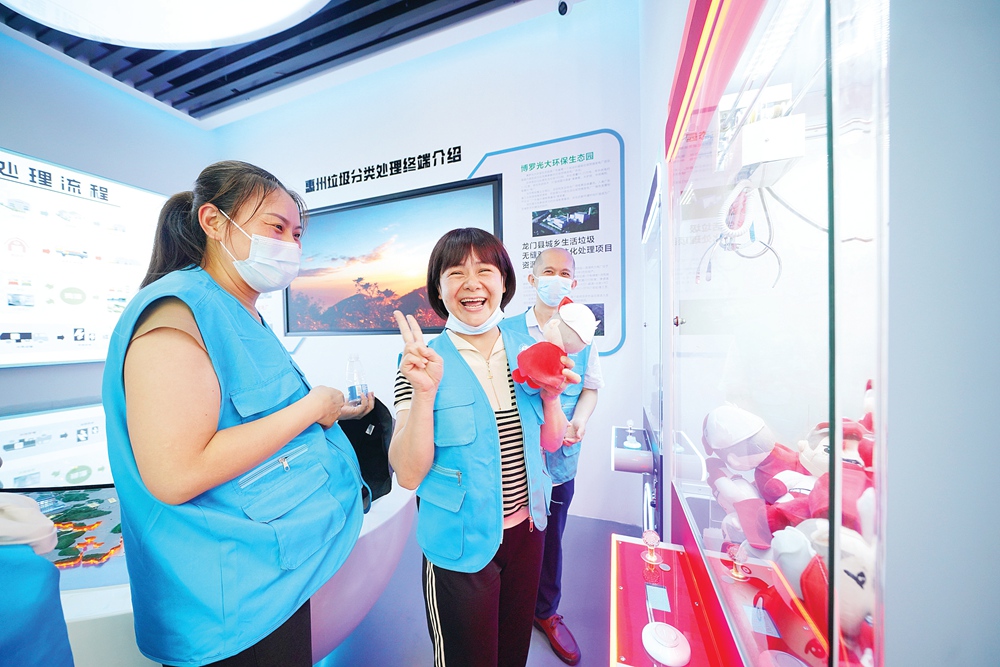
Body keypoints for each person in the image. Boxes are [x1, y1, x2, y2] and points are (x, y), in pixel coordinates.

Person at [101, 161, 374, 667]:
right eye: (276, 227)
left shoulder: (241, 311)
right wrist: (311, 407)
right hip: (226, 603)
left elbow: (250, 424)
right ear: (214, 221)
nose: (290, 245)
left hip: (271, 576)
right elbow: (177, 473)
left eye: (296, 234)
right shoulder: (178, 316)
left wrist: (326, 415)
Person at [389, 228, 578, 667]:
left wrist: (553, 398)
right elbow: (409, 474)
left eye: (484, 271)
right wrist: (424, 395)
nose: (471, 284)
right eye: (456, 272)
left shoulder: (531, 351)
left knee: (513, 653)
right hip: (460, 544)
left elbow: (551, 444)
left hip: (527, 533)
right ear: (439, 288)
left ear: (504, 281)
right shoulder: (420, 363)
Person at [507, 248, 603, 666]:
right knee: (512, 536)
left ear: (574, 283)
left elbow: (590, 388)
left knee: (551, 537)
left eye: (565, 273)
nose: (556, 279)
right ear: (532, 279)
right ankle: (510, 608)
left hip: (561, 455)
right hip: (515, 454)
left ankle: (545, 611)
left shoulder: (583, 333)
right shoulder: (507, 331)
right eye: (548, 271)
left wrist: (579, 420)